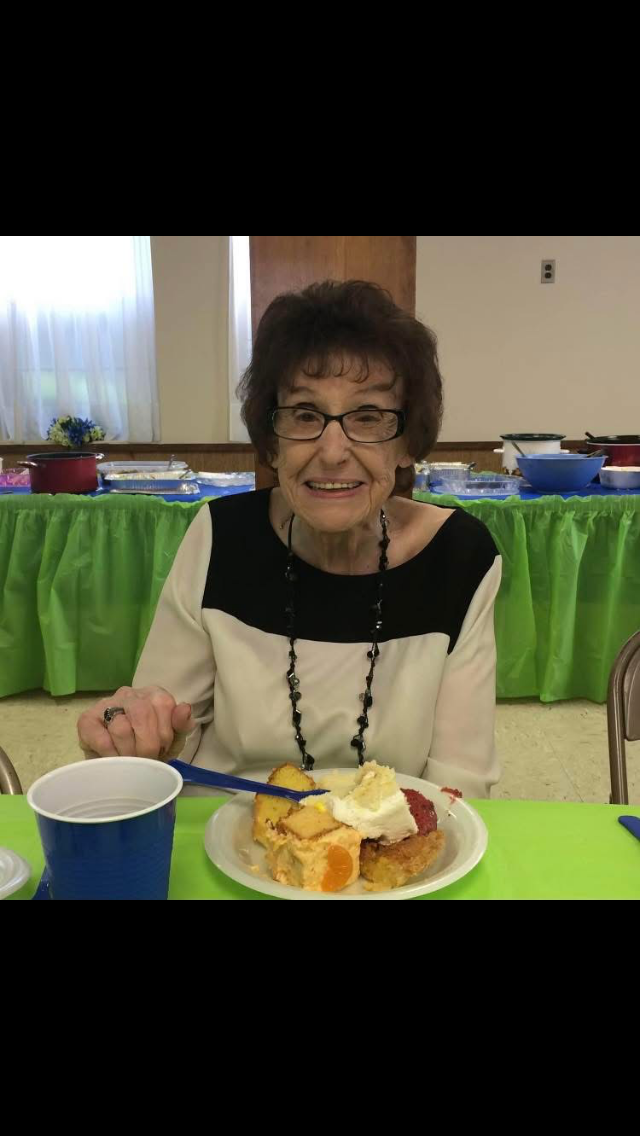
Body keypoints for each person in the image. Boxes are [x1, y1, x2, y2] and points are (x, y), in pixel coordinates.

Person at [78, 281, 502, 797]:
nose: (332, 452)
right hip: (228, 828)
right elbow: (165, 741)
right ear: (273, 441)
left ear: (407, 443)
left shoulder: (459, 557)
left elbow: (460, 787)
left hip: (397, 838)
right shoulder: (221, 535)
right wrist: (131, 734)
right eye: (304, 414)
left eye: (368, 417)